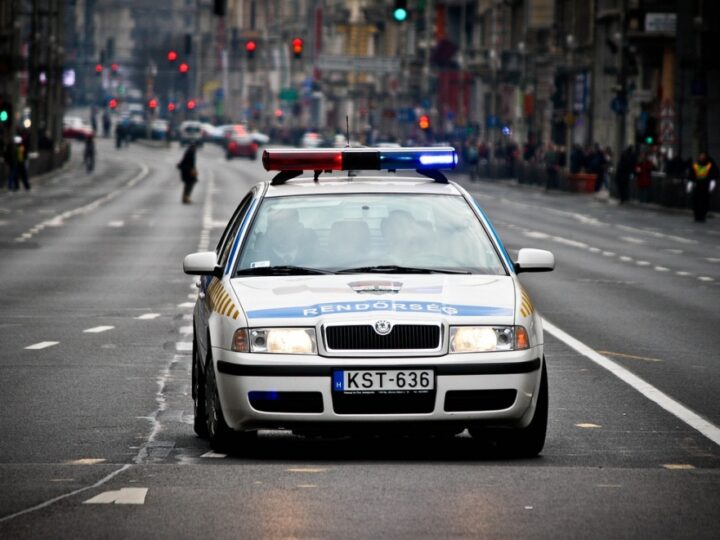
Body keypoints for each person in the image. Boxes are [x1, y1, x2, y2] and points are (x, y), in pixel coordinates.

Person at [688, 151, 718, 223]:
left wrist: (712, 183)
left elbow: (713, 174)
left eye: (703, 156)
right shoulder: (696, 165)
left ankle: (702, 216)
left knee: (704, 202)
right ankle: (697, 216)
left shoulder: (710, 165)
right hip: (697, 186)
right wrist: (690, 183)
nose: (702, 157)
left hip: (705, 187)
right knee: (695, 201)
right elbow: (692, 175)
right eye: (700, 156)